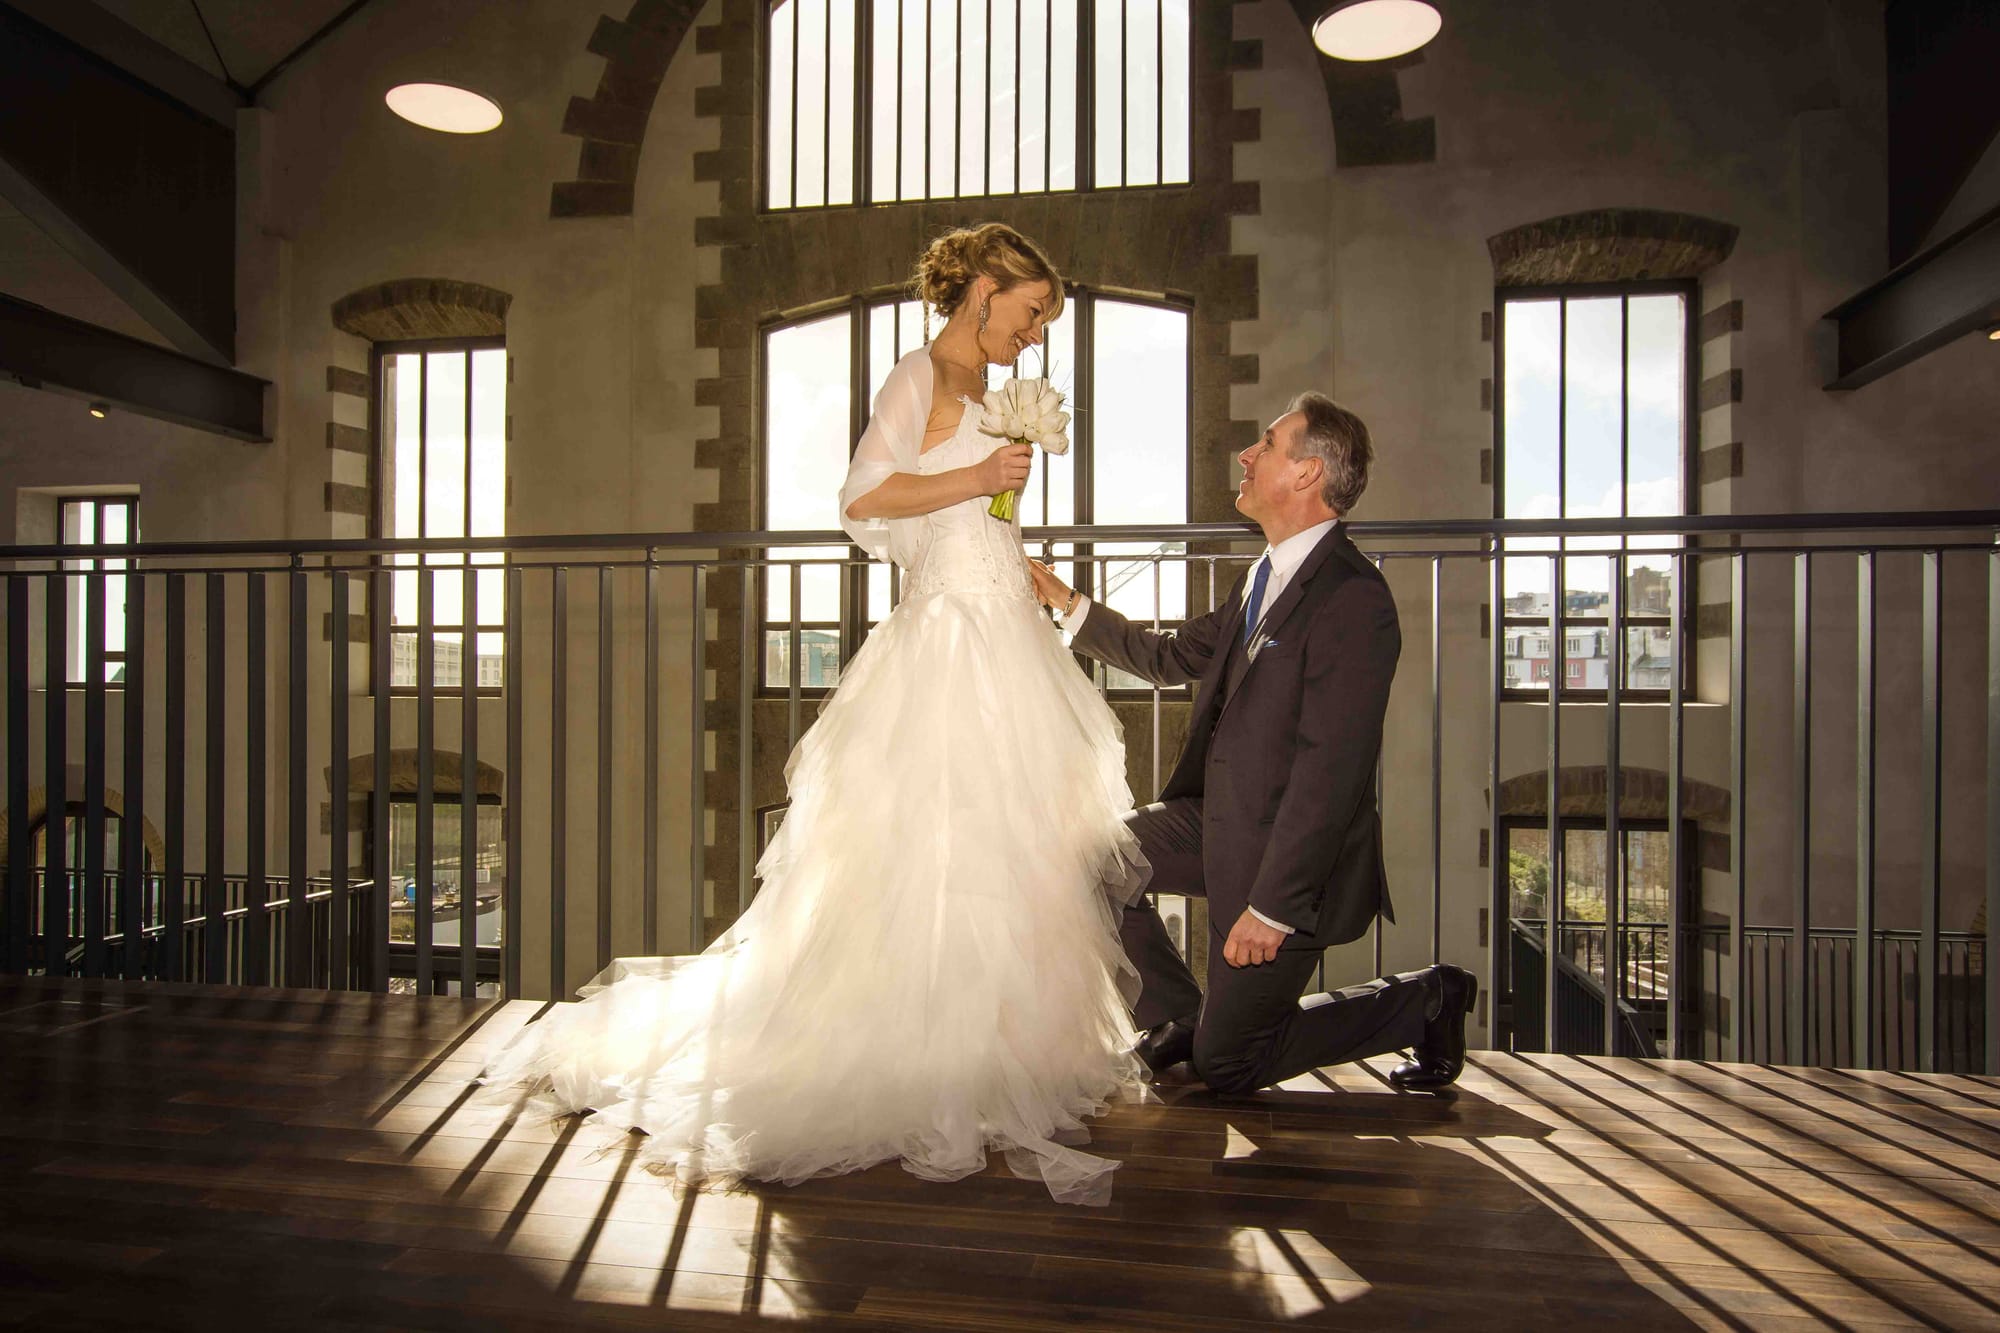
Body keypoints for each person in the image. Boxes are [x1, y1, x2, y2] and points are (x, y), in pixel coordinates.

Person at [477, 223, 1148, 1206]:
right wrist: (975, 476)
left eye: (1044, 317)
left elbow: (977, 529)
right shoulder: (916, 376)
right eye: (1031, 308)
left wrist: (1009, 535)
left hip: (1005, 640)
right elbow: (861, 500)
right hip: (944, 651)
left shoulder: (995, 400)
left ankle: (988, 1055)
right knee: (930, 850)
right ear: (984, 290)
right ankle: (913, 1060)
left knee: (1010, 853)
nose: (1037, 332)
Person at [1027, 396, 1478, 1097]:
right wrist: (1065, 599)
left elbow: (1331, 772)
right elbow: (1170, 655)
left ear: (1306, 472)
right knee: (1090, 865)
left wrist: (1273, 906)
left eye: (1266, 443)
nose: (1246, 453)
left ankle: (1425, 999)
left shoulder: (1356, 599)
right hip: (1218, 818)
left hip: (1287, 858)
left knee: (1231, 1065)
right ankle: (1182, 1020)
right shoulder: (1259, 578)